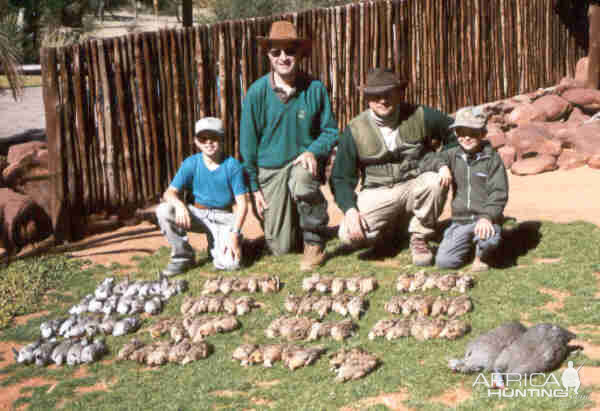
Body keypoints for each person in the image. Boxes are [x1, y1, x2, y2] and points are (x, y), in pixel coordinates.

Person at [239, 20, 338, 271]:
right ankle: (290, 227)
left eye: (290, 51)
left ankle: (315, 240)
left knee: (302, 180)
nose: (284, 57)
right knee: (281, 248)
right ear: (268, 55)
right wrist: (254, 187)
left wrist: (312, 151)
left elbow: (330, 131)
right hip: (270, 171)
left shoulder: (314, 88)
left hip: (301, 163)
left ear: (300, 53)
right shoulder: (257, 93)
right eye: (276, 52)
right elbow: (248, 146)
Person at [330, 68, 454, 266]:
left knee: (435, 182)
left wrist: (444, 163)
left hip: (415, 184)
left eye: (388, 93)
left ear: (399, 93)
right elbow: (340, 178)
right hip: (378, 191)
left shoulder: (420, 115)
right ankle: (389, 235)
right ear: (367, 98)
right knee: (348, 235)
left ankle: (420, 236)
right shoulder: (355, 129)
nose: (383, 100)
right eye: (376, 95)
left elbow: (454, 133)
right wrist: (350, 210)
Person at [156, 117, 249, 275]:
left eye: (214, 138)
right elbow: (169, 192)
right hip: (198, 215)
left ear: (222, 139)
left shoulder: (233, 165)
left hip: (223, 217)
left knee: (230, 264)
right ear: (196, 142)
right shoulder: (191, 163)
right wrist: (179, 205)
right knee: (164, 210)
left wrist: (235, 233)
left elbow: (242, 204)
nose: (208, 143)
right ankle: (182, 257)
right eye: (203, 138)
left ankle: (228, 243)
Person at [424, 106, 509, 271]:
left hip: (484, 218)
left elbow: (499, 192)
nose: (467, 137)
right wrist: (441, 166)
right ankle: (468, 243)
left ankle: (482, 255)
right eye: (462, 132)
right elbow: (427, 159)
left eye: (473, 132)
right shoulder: (452, 154)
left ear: (483, 133)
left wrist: (487, 216)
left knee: (488, 240)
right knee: (444, 263)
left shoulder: (492, 159)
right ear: (455, 134)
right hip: (460, 221)